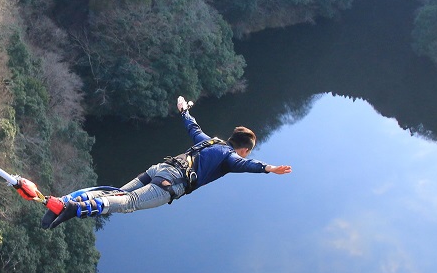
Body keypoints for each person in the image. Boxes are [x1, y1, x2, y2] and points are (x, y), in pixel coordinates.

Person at [41, 96, 292, 229]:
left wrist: (184, 110)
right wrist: (269, 168)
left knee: (115, 193)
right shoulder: (230, 157)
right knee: (127, 203)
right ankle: (76, 208)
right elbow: (245, 165)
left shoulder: (209, 141)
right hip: (170, 183)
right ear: (244, 149)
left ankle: (66, 203)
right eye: (247, 152)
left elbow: (193, 126)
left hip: (160, 168)